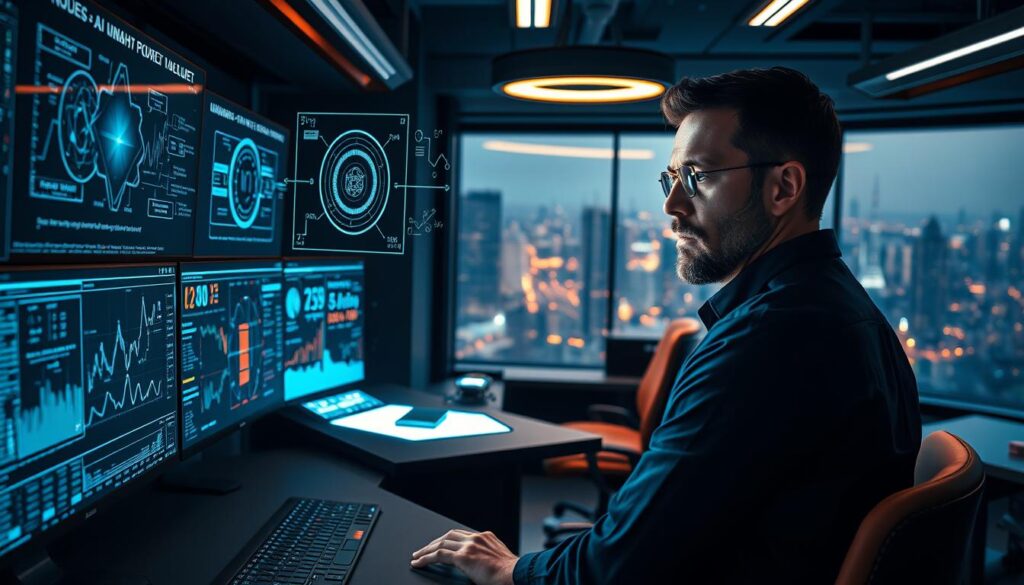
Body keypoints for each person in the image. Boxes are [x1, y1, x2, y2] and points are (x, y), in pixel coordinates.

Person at [411, 67, 921, 584]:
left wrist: (510, 570)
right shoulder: (843, 309)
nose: (671, 204)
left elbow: (613, 568)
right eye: (671, 178)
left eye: (697, 176)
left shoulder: (769, 340)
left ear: (783, 187)